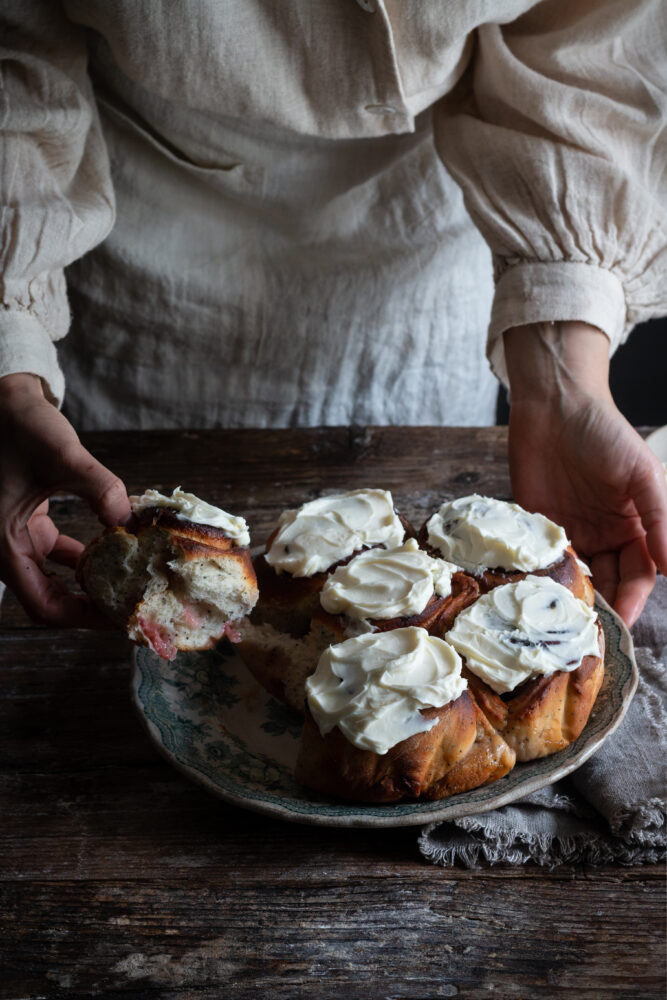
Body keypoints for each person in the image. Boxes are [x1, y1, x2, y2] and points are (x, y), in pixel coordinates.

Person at [1, 1, 666, 629]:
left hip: (435, 242)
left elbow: (587, 47)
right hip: (135, 254)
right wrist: (10, 365)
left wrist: (560, 374)